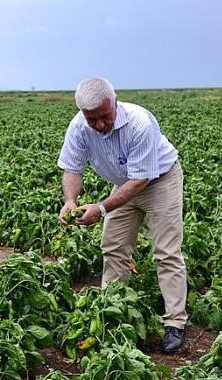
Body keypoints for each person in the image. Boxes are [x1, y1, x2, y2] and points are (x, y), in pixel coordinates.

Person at [57, 77, 187, 353]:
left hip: (159, 181)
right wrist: (70, 201)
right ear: (83, 113)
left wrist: (102, 208)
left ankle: (174, 322)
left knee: (166, 251)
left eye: (105, 116)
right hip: (125, 183)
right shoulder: (79, 127)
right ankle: (111, 312)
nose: (100, 125)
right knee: (113, 247)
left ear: (115, 102)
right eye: (93, 120)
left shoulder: (139, 123)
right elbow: (72, 168)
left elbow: (141, 180)